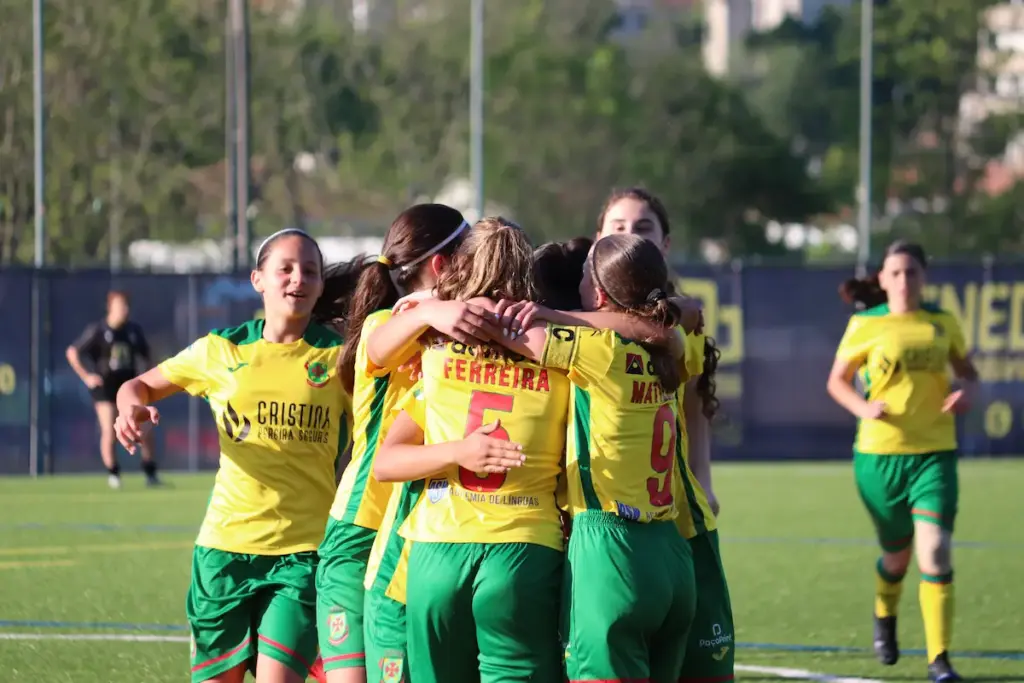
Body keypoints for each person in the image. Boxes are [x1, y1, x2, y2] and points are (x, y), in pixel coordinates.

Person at [113, 229, 353, 683]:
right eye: (284, 268)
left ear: (321, 286)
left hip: (302, 557)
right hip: (223, 554)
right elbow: (137, 386)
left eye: (310, 271)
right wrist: (130, 408)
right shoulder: (220, 350)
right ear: (258, 279)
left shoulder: (340, 359)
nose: (297, 279)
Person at [366, 217, 569, 683]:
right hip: (523, 551)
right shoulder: (563, 363)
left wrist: (458, 451)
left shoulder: (434, 358)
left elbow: (386, 463)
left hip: (438, 554)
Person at [496, 233, 699, 683]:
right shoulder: (672, 345)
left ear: (599, 293)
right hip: (670, 554)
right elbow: (658, 327)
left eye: (586, 274)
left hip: (612, 551)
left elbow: (507, 330)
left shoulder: (598, 352)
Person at [316, 203, 484, 683]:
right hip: (360, 527)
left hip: (419, 536)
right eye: (468, 250)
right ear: (441, 264)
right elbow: (378, 346)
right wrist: (429, 308)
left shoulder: (460, 334)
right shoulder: (384, 324)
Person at [595, 187, 733, 683]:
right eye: (618, 227)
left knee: (699, 658)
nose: (630, 235)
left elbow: (695, 403)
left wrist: (703, 479)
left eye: (644, 227)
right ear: (598, 242)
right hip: (613, 517)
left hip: (678, 511)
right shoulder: (587, 323)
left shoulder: (686, 318)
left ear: (666, 243)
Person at [826, 240, 977, 683]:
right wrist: (862, 408)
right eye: (896, 272)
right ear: (882, 280)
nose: (905, 280)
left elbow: (967, 370)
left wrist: (968, 390)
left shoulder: (942, 322)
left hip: (935, 454)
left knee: (934, 551)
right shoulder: (865, 324)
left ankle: (940, 660)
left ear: (924, 277)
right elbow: (836, 382)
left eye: (912, 272)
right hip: (879, 457)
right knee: (897, 557)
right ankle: (885, 616)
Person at [66, 290, 159, 488]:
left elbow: (148, 356)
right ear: (110, 308)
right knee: (109, 430)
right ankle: (114, 474)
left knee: (146, 427)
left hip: (129, 388)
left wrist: (148, 380)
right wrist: (87, 377)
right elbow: (73, 352)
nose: (124, 310)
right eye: (119, 306)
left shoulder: (133, 331)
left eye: (126, 306)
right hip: (105, 389)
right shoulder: (98, 331)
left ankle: (150, 471)